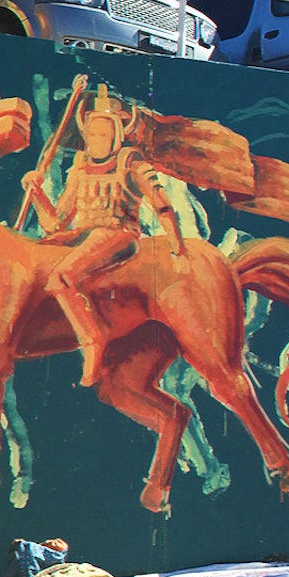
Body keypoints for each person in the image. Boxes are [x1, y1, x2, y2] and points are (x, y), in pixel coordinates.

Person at [22, 85, 188, 387]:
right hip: (82, 235)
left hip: (117, 234)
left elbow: (163, 206)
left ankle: (92, 339)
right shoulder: (80, 166)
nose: (97, 140)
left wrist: (179, 252)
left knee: (60, 277)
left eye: (103, 134)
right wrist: (36, 194)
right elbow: (55, 225)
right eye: (93, 134)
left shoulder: (131, 162)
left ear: (116, 134)